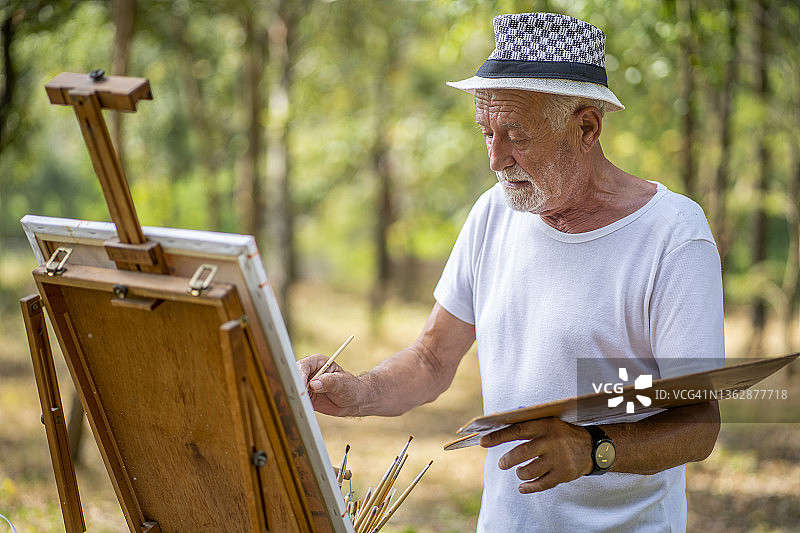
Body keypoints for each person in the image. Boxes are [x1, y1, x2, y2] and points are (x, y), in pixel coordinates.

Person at [298, 12, 724, 532]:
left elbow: (698, 424)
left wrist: (592, 449)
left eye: (517, 135)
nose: (496, 159)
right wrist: (359, 391)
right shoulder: (493, 213)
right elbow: (432, 359)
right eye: (488, 133)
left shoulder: (673, 235)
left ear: (586, 127)